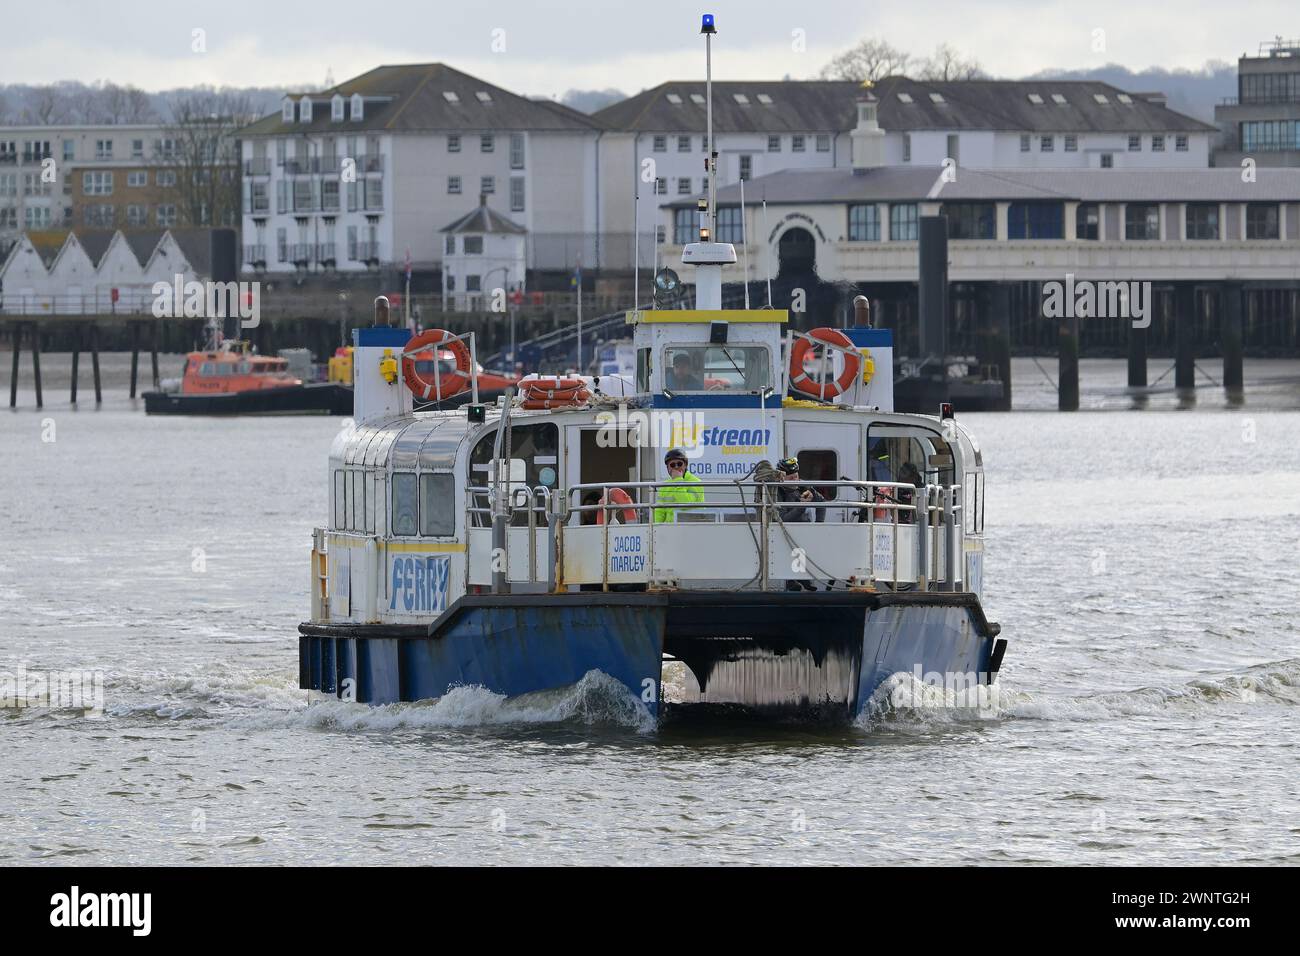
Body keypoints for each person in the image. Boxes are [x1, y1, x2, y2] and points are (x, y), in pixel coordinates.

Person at [653, 448, 704, 522]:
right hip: (670, 529)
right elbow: (660, 511)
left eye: (679, 464)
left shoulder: (696, 482)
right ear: (668, 468)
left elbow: (685, 504)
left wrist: (678, 480)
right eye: (672, 465)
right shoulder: (665, 487)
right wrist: (657, 529)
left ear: (685, 465)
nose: (676, 467)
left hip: (692, 528)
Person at [775, 456, 825, 523]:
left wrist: (819, 524)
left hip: (805, 527)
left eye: (796, 477)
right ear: (781, 478)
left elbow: (821, 501)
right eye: (791, 478)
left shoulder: (802, 486)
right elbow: (782, 519)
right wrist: (802, 506)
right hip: (786, 529)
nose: (795, 481)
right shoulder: (777, 491)